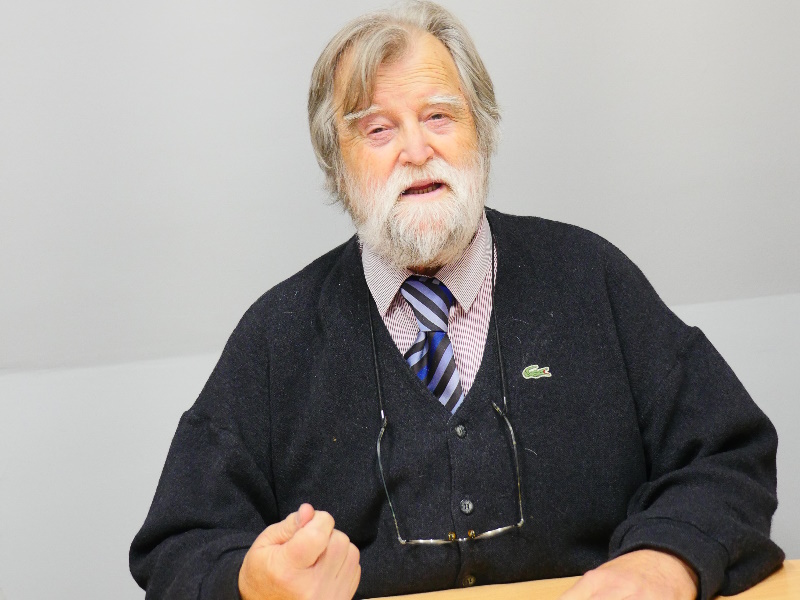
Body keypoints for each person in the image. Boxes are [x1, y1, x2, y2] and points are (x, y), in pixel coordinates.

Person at [130, 2, 784, 599]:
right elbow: (177, 548)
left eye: (439, 116)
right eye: (378, 129)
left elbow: (730, 454)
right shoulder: (277, 338)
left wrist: (667, 560)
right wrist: (249, 583)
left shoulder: (591, 277)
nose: (417, 151)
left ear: (483, 131)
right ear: (337, 165)